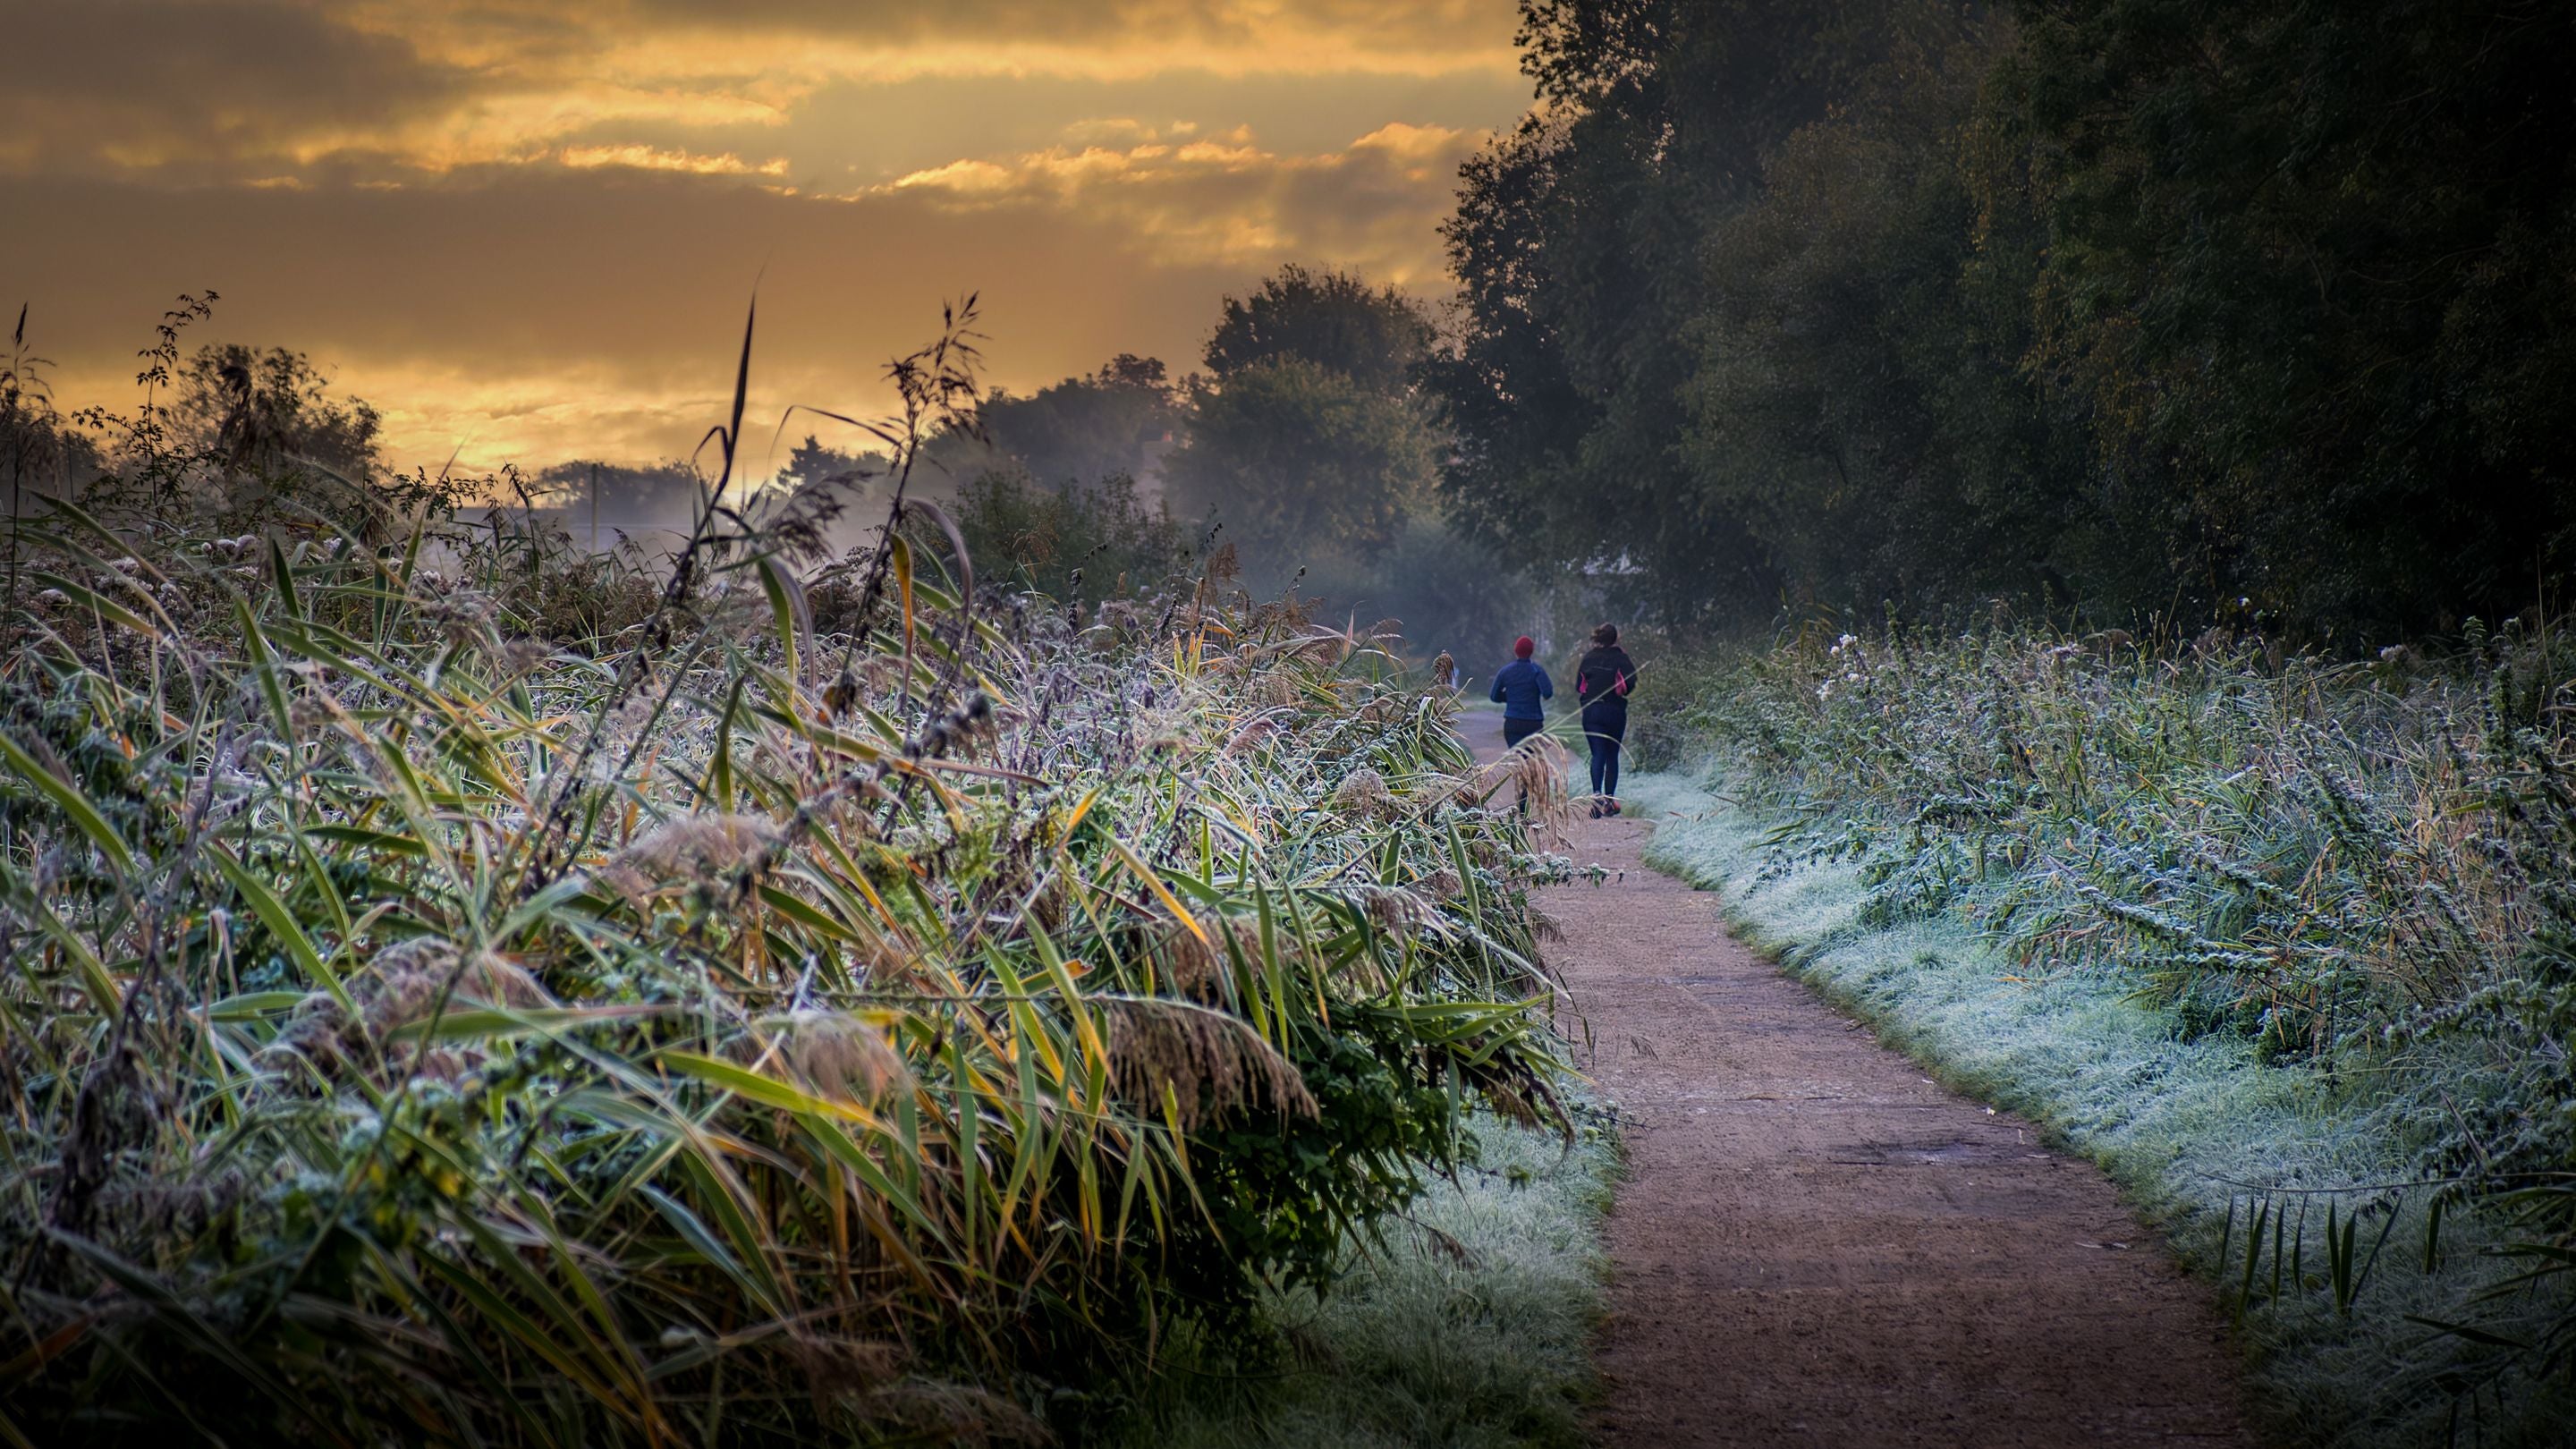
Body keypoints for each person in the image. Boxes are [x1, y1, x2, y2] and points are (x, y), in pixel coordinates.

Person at [1574, 623, 1637, 816]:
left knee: (1597, 755)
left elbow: (1579, 686)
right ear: (1615, 638)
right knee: (1611, 756)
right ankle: (1609, 801)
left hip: (1592, 712)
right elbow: (1630, 683)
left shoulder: (1588, 658)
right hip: (1614, 712)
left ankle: (1596, 798)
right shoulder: (1622, 658)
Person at [1488, 635, 1553, 749]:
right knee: (1532, 759)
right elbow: (1547, 693)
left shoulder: (1505, 671)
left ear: (1516, 651)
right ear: (1531, 651)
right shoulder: (1537, 670)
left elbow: (1494, 696)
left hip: (1513, 722)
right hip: (1533, 723)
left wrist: (1510, 697)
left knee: (1517, 759)